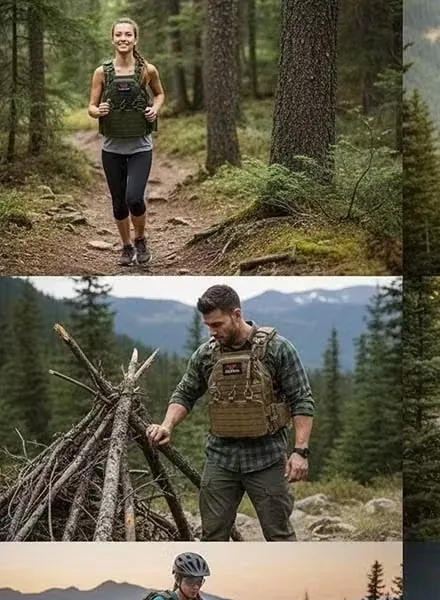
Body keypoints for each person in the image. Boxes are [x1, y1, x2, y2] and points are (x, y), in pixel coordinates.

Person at [147, 284, 314, 541]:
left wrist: (300, 451)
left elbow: (301, 398)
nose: (212, 332)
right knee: (213, 535)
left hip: (267, 458)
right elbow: (185, 393)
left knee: (279, 535)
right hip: (221, 459)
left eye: (217, 324)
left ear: (236, 314)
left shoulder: (277, 349)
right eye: (208, 326)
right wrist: (167, 425)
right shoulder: (206, 355)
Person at [88, 17, 164, 267]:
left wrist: (155, 108)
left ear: (135, 39)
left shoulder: (147, 70)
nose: (123, 39)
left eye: (128, 35)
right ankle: (126, 246)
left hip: (141, 146)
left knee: (134, 198)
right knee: (119, 203)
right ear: (112, 38)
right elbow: (91, 106)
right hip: (112, 149)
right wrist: (97, 111)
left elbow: (160, 94)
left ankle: (140, 238)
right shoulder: (102, 72)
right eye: (118, 34)